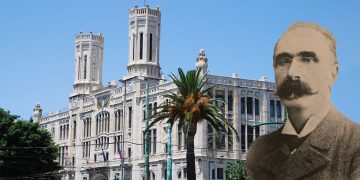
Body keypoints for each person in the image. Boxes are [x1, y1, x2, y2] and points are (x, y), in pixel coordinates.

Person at [246, 22, 360, 179]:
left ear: (333, 73)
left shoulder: (354, 142)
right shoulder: (258, 151)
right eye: (284, 60)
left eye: (307, 59)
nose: (292, 73)